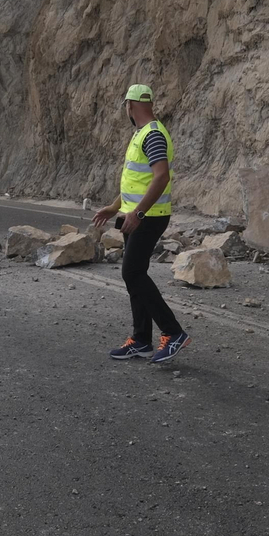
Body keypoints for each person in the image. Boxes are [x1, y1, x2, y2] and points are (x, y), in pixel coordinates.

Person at [91, 83, 190, 364]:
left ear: (130, 106)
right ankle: (141, 340)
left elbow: (161, 177)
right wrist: (115, 207)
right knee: (135, 274)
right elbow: (137, 181)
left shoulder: (153, 135)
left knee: (132, 273)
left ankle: (173, 332)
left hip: (149, 217)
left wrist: (138, 214)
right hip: (135, 215)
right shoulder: (142, 133)